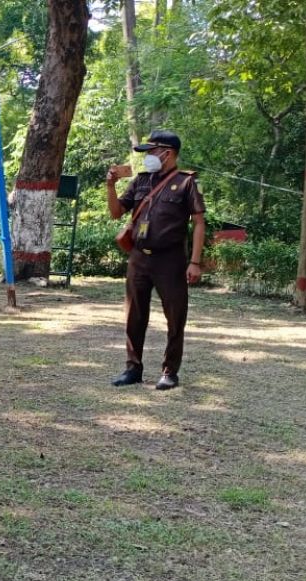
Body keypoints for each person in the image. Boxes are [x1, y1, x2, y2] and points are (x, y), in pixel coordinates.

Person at [106, 130, 207, 391]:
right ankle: (133, 368)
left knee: (175, 317)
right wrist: (110, 186)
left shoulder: (186, 183)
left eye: (152, 151)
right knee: (134, 315)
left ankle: (170, 371)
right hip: (139, 258)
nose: (148, 156)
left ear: (168, 153)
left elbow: (198, 223)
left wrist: (194, 262)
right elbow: (117, 212)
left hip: (170, 260)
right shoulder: (141, 181)